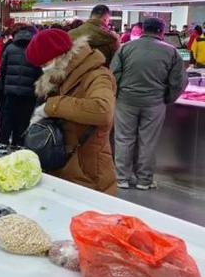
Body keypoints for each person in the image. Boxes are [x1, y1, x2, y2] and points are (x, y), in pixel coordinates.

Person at [27, 29, 117, 194]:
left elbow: (103, 110)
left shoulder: (97, 76)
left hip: (88, 173)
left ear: (61, 55)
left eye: (45, 64)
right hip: (63, 166)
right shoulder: (60, 76)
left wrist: (51, 107)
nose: (43, 69)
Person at [110, 18, 187, 190]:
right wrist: (168, 98)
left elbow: (113, 74)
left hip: (126, 101)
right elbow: (179, 81)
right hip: (154, 103)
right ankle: (144, 181)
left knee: (123, 139)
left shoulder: (126, 48)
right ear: (161, 31)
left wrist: (119, 94)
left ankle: (122, 177)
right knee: (148, 141)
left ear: (143, 29)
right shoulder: (171, 52)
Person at [0, 25, 41, 154]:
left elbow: (2, 70)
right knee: (24, 118)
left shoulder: (10, 48)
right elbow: (39, 72)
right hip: (29, 92)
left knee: (8, 117)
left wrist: (2, 87)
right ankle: (18, 143)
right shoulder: (35, 49)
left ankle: (2, 142)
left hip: (10, 91)